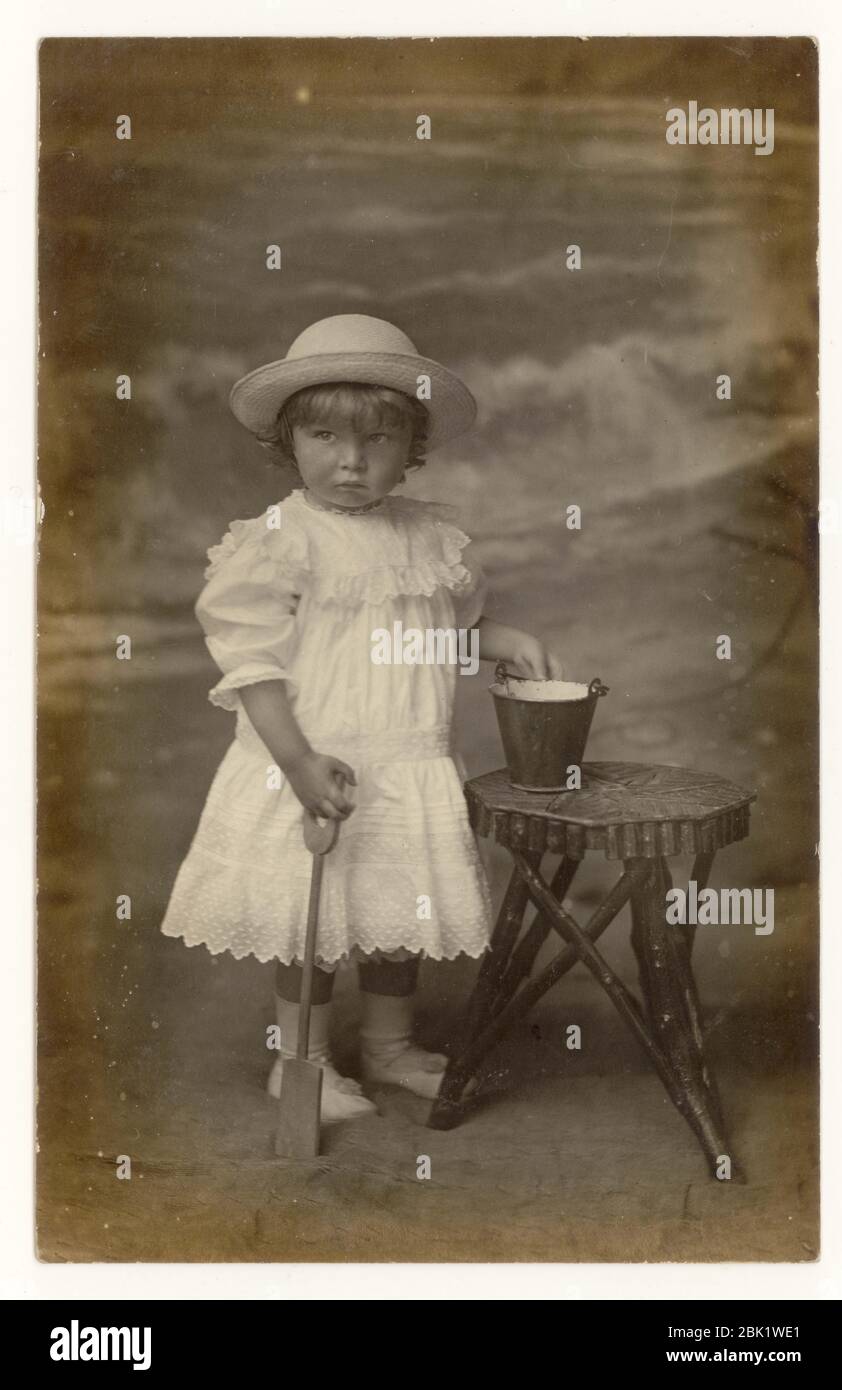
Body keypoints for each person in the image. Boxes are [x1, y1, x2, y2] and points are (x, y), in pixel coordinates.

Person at [160, 314, 563, 1123]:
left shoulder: (430, 538)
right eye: (324, 437)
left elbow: (433, 638)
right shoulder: (278, 540)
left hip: (407, 759)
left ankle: (387, 1047)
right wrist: (296, 762)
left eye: (379, 440)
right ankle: (299, 1061)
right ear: (289, 441)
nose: (350, 461)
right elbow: (254, 667)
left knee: (396, 916)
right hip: (315, 759)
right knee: (311, 926)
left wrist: (502, 639)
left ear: (411, 445)